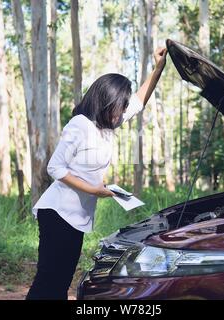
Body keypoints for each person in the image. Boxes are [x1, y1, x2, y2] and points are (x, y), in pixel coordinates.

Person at [25, 47, 168, 300]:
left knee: (61, 283)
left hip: (76, 216)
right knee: (48, 281)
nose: (123, 113)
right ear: (106, 102)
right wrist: (95, 190)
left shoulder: (107, 126)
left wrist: (158, 68)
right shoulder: (80, 125)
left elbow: (139, 102)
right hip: (57, 213)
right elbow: (54, 167)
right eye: (119, 107)